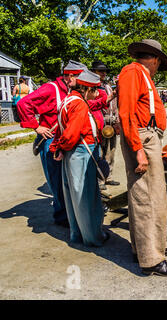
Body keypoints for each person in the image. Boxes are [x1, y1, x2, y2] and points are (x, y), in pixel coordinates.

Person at [117, 39, 167, 276]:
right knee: (148, 199)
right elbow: (125, 113)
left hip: (147, 137)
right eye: (158, 64)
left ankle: (145, 249)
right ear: (155, 60)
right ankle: (152, 260)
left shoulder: (140, 75)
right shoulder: (132, 72)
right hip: (142, 138)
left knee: (149, 197)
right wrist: (138, 149)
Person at [16, 60, 87, 228]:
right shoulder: (50, 88)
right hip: (50, 140)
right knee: (56, 181)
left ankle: (69, 213)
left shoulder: (70, 90)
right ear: (71, 76)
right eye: (81, 77)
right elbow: (22, 103)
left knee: (67, 180)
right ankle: (62, 216)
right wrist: (36, 126)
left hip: (63, 139)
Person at [50, 70, 109, 247]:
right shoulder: (80, 105)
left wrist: (58, 147)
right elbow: (71, 134)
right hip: (82, 150)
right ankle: (93, 237)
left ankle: (77, 234)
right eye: (94, 89)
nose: (97, 93)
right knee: (86, 197)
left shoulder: (67, 100)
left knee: (73, 197)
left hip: (72, 152)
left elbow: (61, 130)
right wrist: (62, 145)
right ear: (86, 88)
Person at [91, 61, 120, 188]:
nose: (104, 73)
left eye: (105, 71)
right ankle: (100, 179)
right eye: (100, 71)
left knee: (111, 151)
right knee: (102, 152)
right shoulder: (92, 86)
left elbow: (115, 104)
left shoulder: (107, 85)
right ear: (94, 72)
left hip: (112, 121)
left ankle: (108, 176)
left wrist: (117, 119)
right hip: (101, 120)